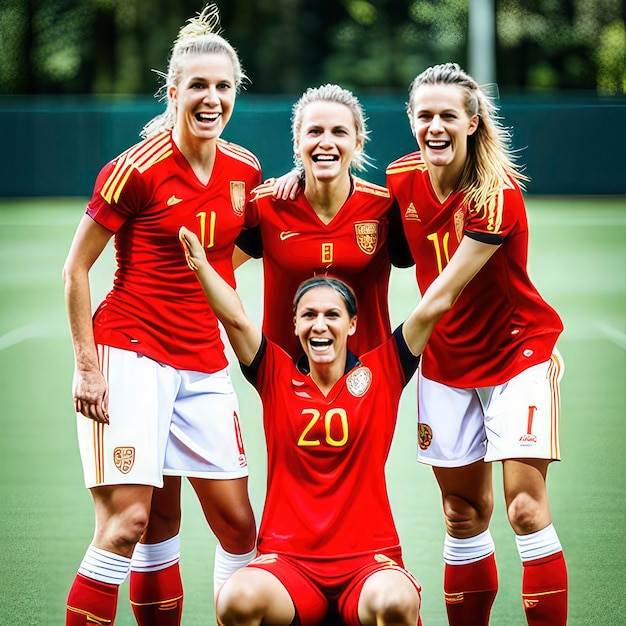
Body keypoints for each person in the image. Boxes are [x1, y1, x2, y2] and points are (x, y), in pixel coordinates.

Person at [62, 5, 260, 625]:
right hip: (130, 353)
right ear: (172, 92)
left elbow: (236, 248)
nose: (211, 98)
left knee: (240, 527)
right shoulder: (135, 169)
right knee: (132, 523)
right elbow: (75, 270)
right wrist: (88, 368)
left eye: (223, 86)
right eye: (197, 86)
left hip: (203, 361)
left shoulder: (244, 169)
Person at [385, 62, 568, 625]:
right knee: (462, 515)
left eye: (447, 116)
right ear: (412, 120)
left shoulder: (496, 192)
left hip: (519, 356)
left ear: (471, 122)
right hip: (446, 362)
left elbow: (442, 293)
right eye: (424, 116)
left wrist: (385, 361)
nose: (434, 126)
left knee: (523, 506)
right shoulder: (399, 177)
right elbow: (374, 241)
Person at [180, 226, 423, 626]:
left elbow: (433, 306)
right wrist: (203, 265)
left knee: (395, 603)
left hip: (368, 563)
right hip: (289, 563)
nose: (320, 324)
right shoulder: (274, 372)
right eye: (308, 315)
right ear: (294, 325)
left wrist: (471, 246)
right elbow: (236, 320)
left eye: (332, 315)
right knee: (235, 600)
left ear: (353, 325)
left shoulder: (384, 371)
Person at [235, 83, 412, 359]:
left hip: (368, 379)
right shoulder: (268, 204)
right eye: (315, 131)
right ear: (297, 142)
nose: (326, 142)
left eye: (339, 132)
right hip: (285, 379)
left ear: (358, 142)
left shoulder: (384, 206)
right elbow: (217, 266)